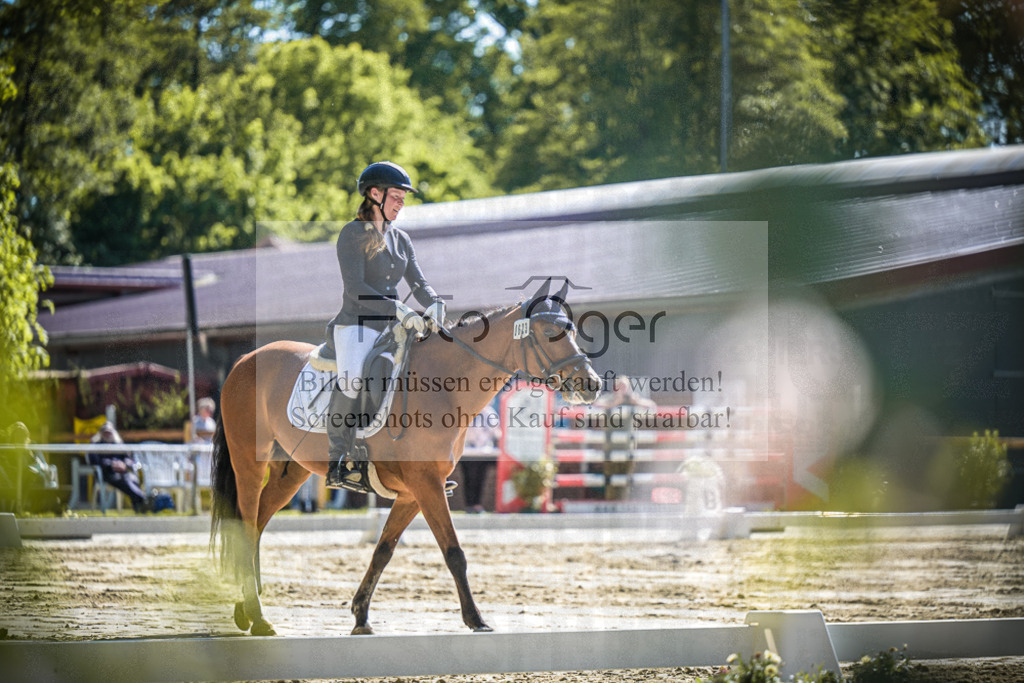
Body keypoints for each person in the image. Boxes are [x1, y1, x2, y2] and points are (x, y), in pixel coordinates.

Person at [323, 161, 446, 491]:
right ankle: (339, 460)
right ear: (374, 194)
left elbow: (418, 281)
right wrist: (400, 309)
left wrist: (434, 301)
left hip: (394, 328)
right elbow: (355, 289)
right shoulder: (352, 234)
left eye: (404, 198)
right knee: (352, 380)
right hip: (357, 325)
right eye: (396, 196)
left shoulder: (401, 239)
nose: (401, 203)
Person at [88, 422, 149, 513]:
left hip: (123, 473)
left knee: (132, 479)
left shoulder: (118, 444)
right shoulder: (96, 445)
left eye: (109, 432)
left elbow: (129, 459)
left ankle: (139, 505)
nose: (107, 435)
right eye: (105, 432)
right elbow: (95, 461)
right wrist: (112, 464)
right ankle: (143, 500)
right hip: (107, 474)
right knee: (123, 480)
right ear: (101, 433)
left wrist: (124, 465)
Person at [460, 401, 501, 513]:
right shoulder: (467, 412)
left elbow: (496, 432)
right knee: (468, 478)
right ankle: (469, 504)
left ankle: (477, 504)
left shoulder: (489, 413)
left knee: (480, 478)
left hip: (483, 451)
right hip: (468, 451)